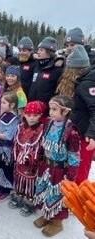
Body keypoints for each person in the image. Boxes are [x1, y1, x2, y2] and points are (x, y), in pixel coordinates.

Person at [33, 95, 80, 237]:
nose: (51, 112)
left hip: (60, 170)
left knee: (57, 194)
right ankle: (47, 215)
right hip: (46, 166)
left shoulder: (71, 132)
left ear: (65, 112)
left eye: (55, 109)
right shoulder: (48, 123)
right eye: (50, 109)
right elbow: (43, 142)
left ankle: (57, 222)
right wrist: (39, 158)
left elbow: (74, 155)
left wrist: (71, 176)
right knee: (45, 191)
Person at [56, 45, 95, 184]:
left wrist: (91, 134)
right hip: (78, 130)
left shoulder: (87, 84)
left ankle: (77, 198)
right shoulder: (84, 80)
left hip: (85, 135)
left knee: (80, 168)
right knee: (73, 166)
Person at [8, 101, 45, 217]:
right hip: (20, 160)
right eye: (29, 115)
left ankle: (29, 203)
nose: (32, 118)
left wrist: (35, 158)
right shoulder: (21, 127)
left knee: (30, 183)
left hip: (33, 163)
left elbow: (42, 147)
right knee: (19, 178)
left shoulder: (42, 129)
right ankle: (18, 195)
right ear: (24, 114)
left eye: (35, 115)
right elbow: (16, 143)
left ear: (40, 116)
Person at [0, 92, 20, 201]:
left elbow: (9, 135)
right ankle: (0, 187)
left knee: (6, 168)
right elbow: (0, 127)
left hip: (6, 149)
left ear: (12, 105)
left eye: (4, 102)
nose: (1, 104)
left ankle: (6, 189)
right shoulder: (4, 115)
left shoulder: (14, 119)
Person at [29, 36, 63, 106]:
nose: (38, 52)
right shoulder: (36, 65)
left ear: (49, 52)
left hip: (46, 109)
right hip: (32, 107)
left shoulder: (56, 68)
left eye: (41, 50)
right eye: (38, 49)